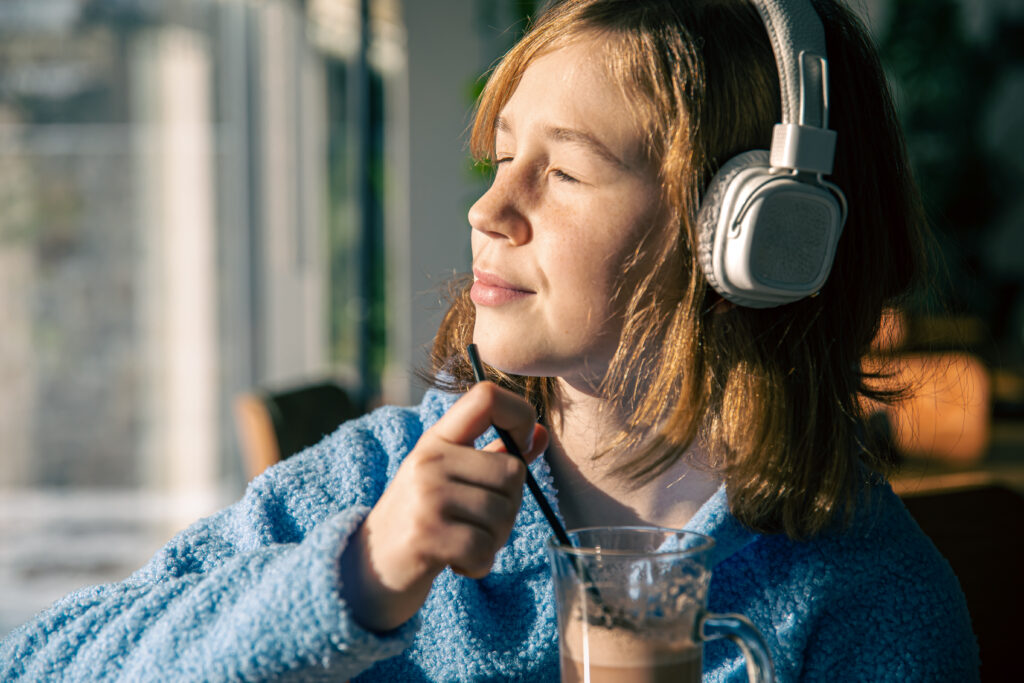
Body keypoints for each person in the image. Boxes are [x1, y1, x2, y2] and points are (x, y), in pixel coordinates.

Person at [1, 0, 979, 680]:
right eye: (504, 157)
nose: (488, 206)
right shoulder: (380, 485)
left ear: (754, 239)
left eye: (564, 172)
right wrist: (360, 573)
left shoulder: (867, 597)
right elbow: (40, 664)